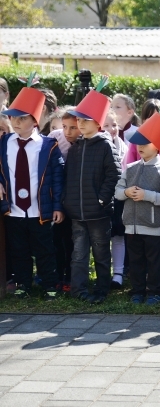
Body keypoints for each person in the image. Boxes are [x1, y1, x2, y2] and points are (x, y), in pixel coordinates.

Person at [0, 85, 64, 299]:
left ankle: (49, 285)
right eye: (13, 118)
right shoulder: (4, 143)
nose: (16, 122)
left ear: (35, 121)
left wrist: (57, 206)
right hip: (15, 210)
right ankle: (23, 284)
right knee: (19, 250)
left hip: (40, 209)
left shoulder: (48, 145)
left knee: (45, 249)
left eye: (22, 118)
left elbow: (57, 178)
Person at [63, 87, 122, 304]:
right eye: (79, 120)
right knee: (78, 254)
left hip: (98, 213)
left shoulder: (106, 146)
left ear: (97, 123)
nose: (80, 124)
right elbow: (68, 176)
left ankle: (101, 290)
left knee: (100, 254)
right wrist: (68, 201)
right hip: (77, 213)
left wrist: (102, 199)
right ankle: (78, 290)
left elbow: (114, 175)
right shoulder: (75, 147)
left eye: (85, 120)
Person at [115, 114, 160, 305]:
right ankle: (137, 290)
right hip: (131, 226)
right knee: (136, 261)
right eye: (138, 144)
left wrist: (146, 195)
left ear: (157, 145)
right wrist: (126, 191)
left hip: (153, 226)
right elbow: (117, 192)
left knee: (155, 262)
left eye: (145, 143)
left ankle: (155, 291)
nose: (140, 147)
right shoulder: (130, 168)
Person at [48, 109, 80, 293]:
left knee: (73, 242)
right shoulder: (55, 137)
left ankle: (70, 276)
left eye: (73, 128)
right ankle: (58, 276)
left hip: (76, 199)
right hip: (58, 198)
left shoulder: (85, 142)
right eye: (65, 127)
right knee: (57, 240)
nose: (67, 132)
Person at [103, 111, 129, 290]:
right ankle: (103, 273)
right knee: (101, 237)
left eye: (114, 125)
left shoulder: (125, 148)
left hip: (119, 198)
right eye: (106, 125)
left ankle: (118, 274)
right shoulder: (95, 146)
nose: (111, 129)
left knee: (119, 236)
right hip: (101, 198)